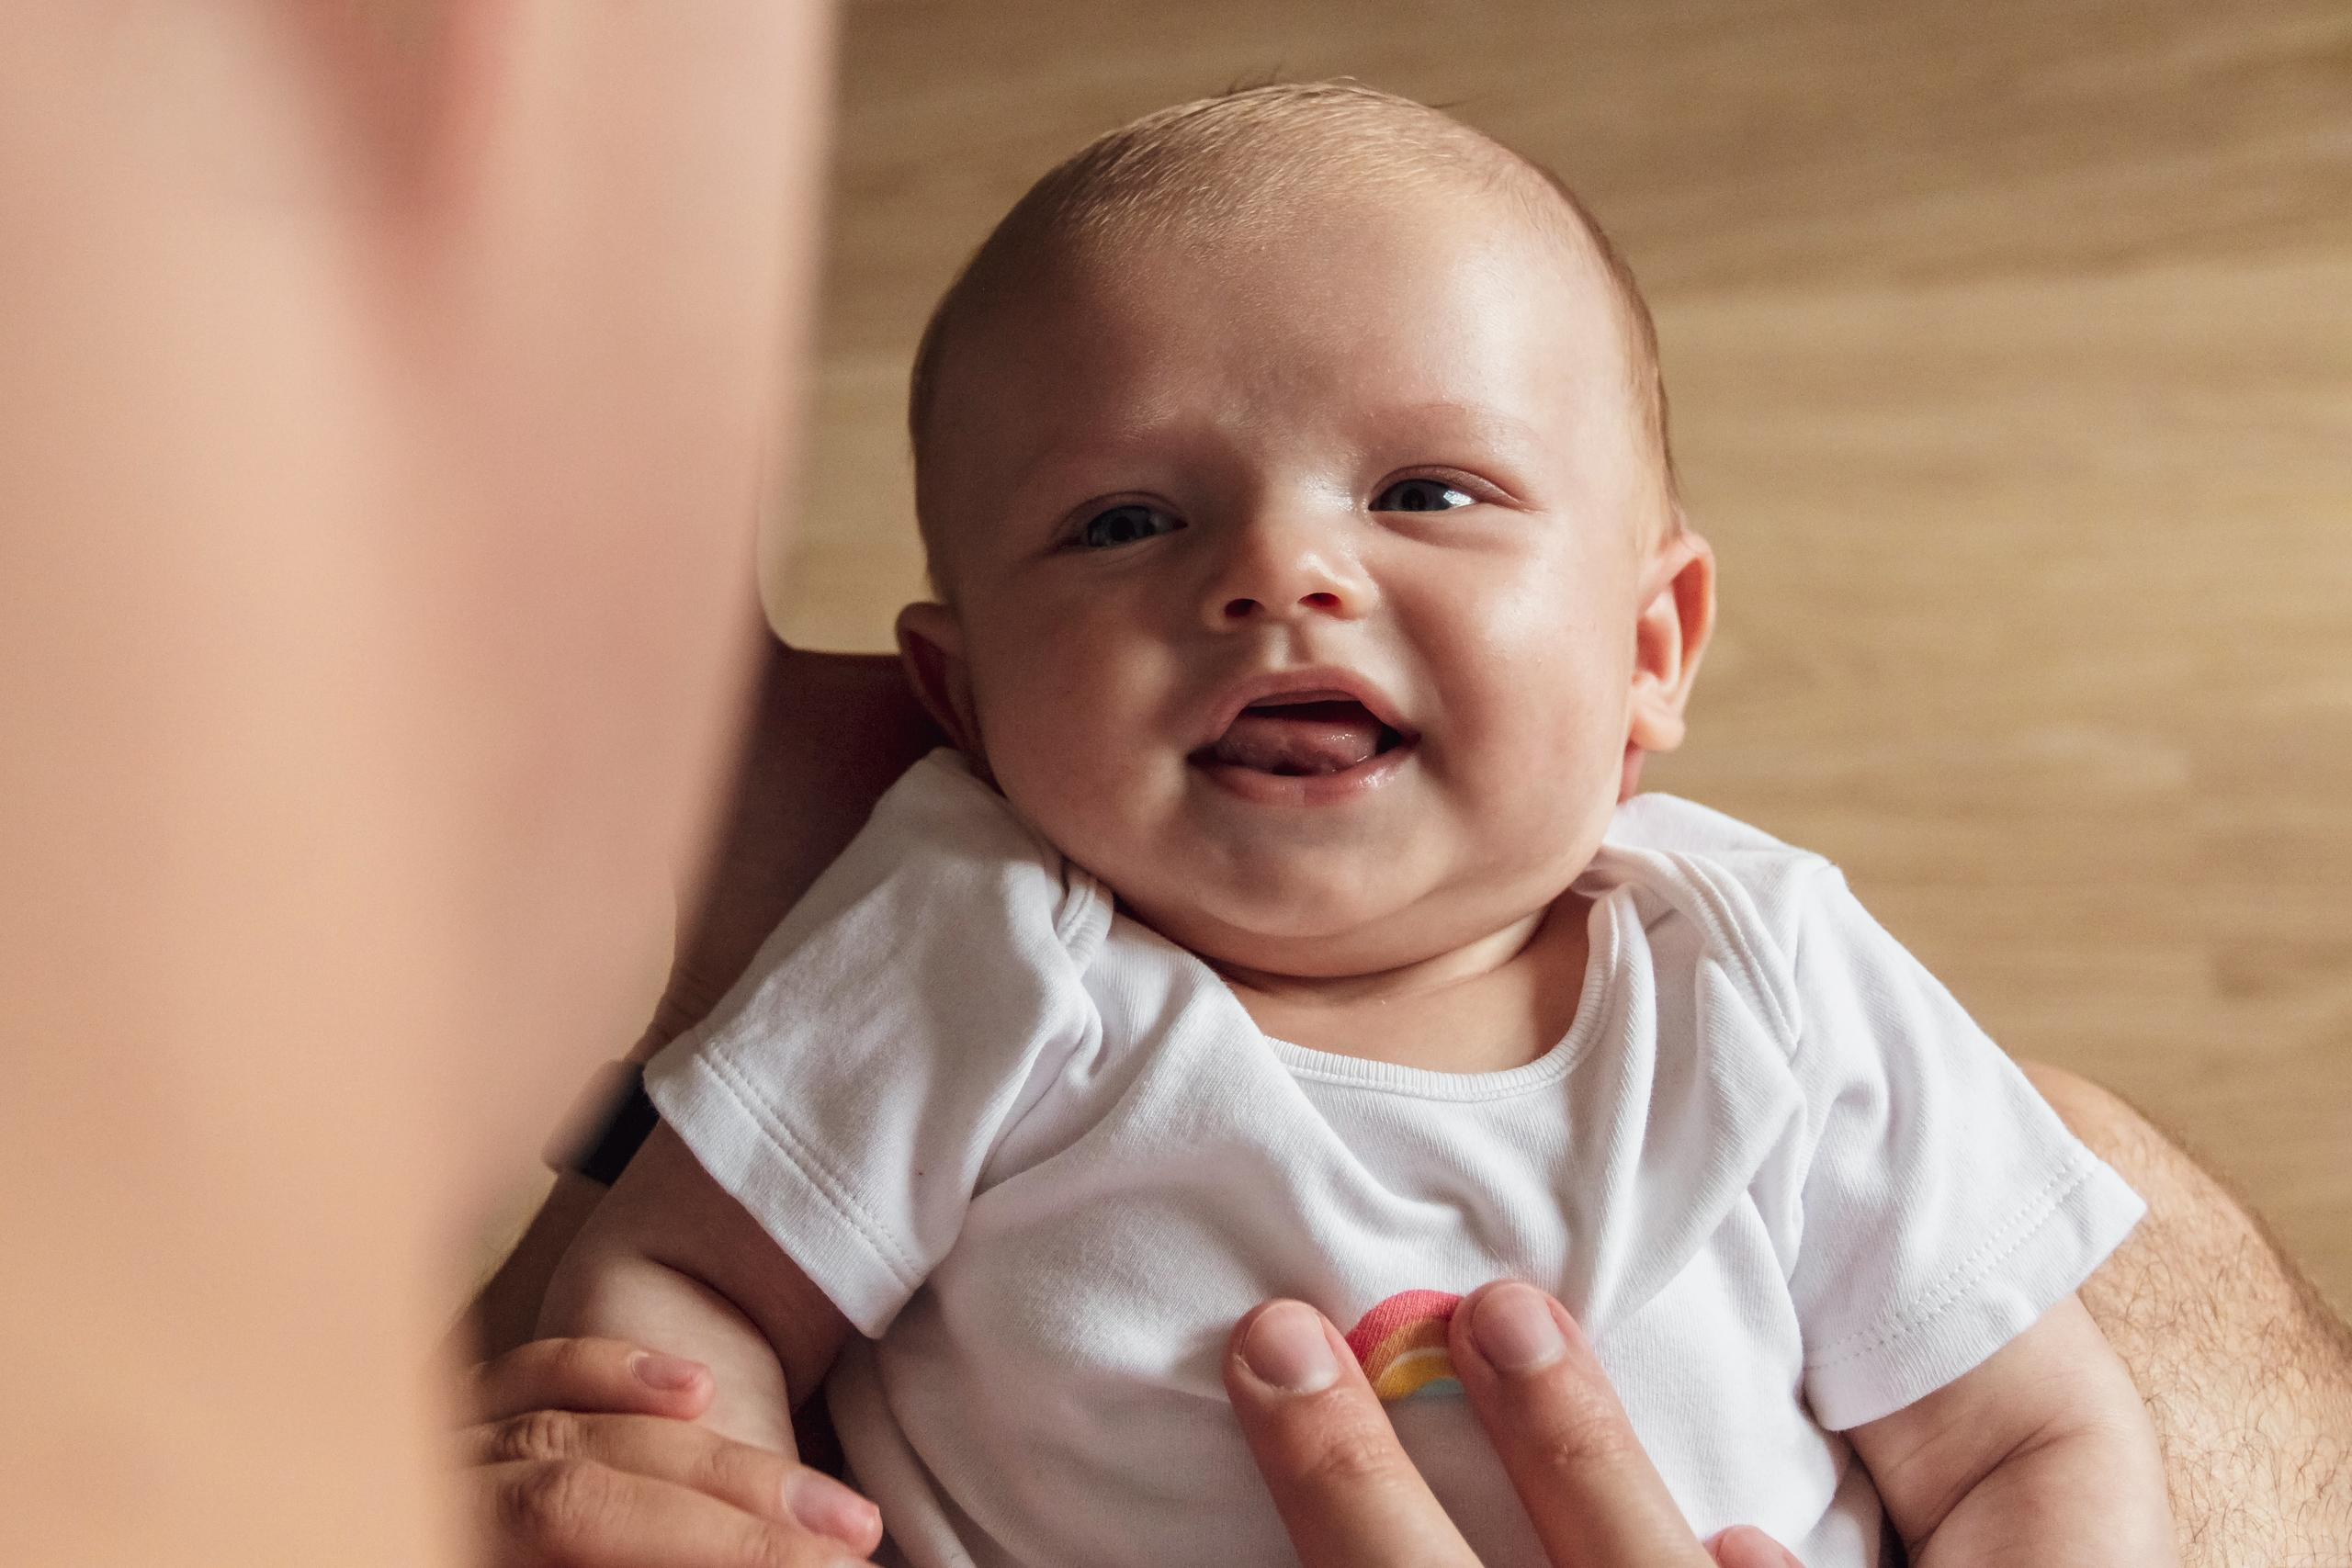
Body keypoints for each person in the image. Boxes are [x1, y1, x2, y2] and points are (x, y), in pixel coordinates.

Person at [530, 85, 2177, 1564]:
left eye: (1426, 494)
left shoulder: (1765, 974)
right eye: (1123, 521)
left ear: (1649, 647)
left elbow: (2027, 1441)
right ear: (962, 706)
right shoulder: (979, 942)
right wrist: (711, 1482)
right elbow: (690, 1282)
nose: (1278, 572)